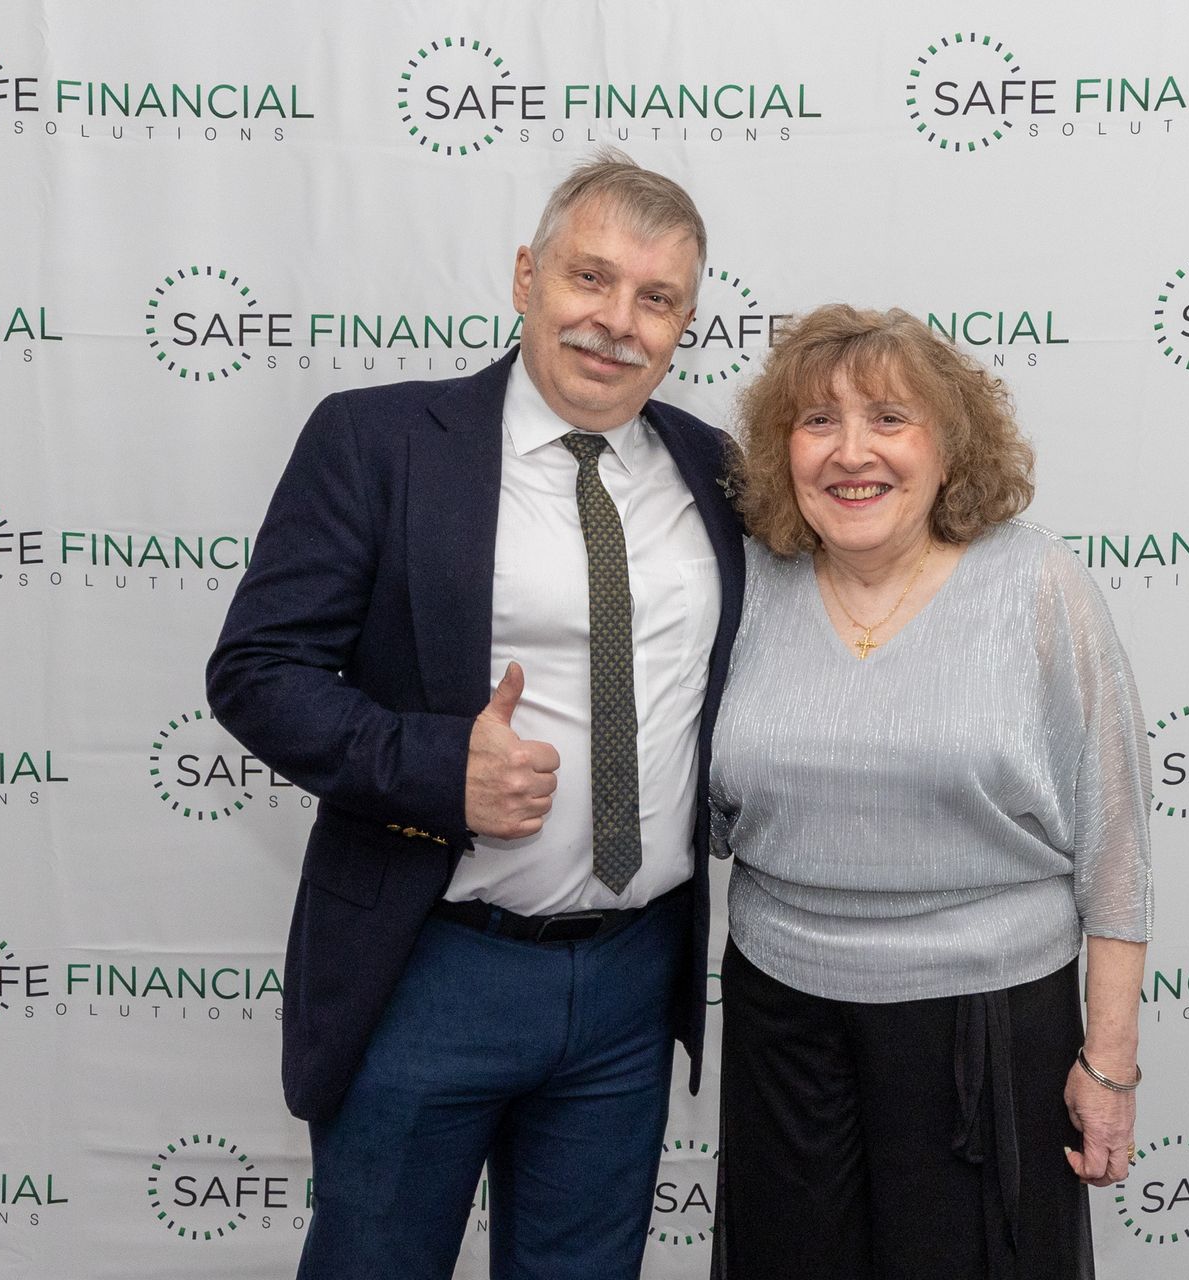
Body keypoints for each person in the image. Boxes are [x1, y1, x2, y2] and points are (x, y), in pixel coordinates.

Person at [205, 149, 744, 1280]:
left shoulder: (713, 470)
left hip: (630, 984)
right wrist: (435, 763)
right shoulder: (380, 442)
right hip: (429, 966)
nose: (615, 321)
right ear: (525, 277)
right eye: (588, 278)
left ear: (687, 322)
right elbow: (256, 669)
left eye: (656, 299)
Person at [708, 304, 1151, 1278]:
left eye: (889, 419)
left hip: (985, 1027)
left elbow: (1115, 847)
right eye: (817, 421)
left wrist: (1109, 1058)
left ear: (950, 448)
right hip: (781, 1023)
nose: (850, 451)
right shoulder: (744, 585)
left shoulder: (1039, 586)